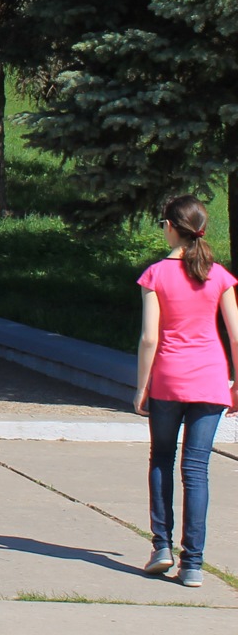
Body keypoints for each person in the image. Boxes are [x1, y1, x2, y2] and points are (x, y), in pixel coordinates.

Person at [134, 196, 238, 587]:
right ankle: (192, 564)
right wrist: (237, 383)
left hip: (169, 381)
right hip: (211, 382)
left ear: (171, 227)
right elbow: (236, 336)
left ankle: (161, 546)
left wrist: (140, 387)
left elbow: (149, 339)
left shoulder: (156, 275)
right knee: (197, 471)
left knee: (161, 458)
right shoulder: (220, 275)